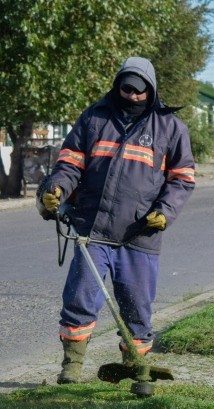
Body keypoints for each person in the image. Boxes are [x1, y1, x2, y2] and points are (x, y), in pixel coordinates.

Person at [38, 56, 195, 384]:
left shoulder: (169, 128)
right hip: (92, 231)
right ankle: (71, 367)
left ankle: (136, 367)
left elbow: (182, 178)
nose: (134, 97)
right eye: (127, 89)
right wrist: (57, 189)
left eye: (141, 91)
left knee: (137, 308)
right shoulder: (94, 119)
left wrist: (165, 212)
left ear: (151, 91)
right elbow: (69, 164)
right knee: (79, 299)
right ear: (118, 86)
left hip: (140, 235)